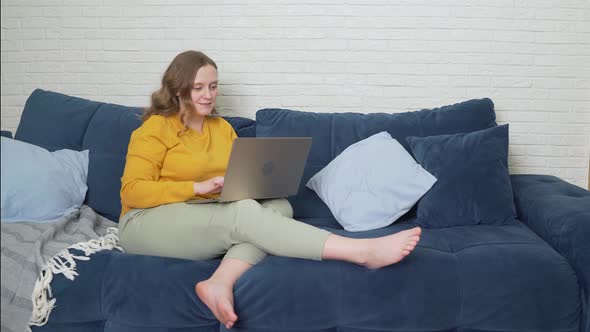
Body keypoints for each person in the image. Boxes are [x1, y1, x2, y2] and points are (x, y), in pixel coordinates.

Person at [118, 50, 422, 329]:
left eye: (213, 86)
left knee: (279, 206)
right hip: (146, 222)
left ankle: (219, 282)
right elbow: (133, 191)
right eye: (199, 87)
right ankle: (361, 252)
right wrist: (196, 187)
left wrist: (248, 184)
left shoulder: (221, 127)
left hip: (199, 214)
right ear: (178, 88)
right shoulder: (155, 129)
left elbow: (231, 177)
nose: (208, 94)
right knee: (244, 214)